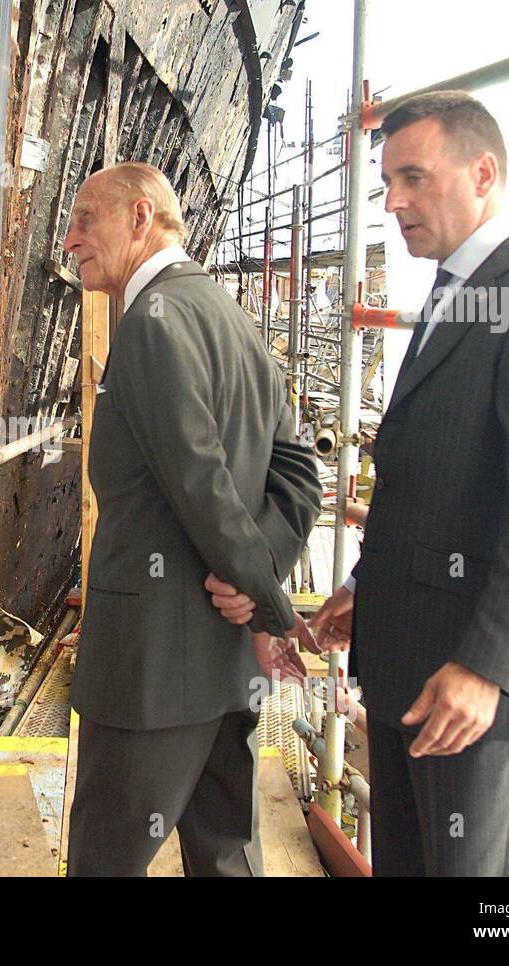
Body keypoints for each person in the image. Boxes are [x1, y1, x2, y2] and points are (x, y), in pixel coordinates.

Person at [308, 91, 509, 875]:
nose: (395, 202)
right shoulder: (453, 291)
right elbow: (428, 478)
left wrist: (486, 669)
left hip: (473, 691)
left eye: (414, 177)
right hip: (410, 666)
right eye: (386, 183)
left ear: (483, 173)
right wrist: (367, 584)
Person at [63, 161, 322, 876]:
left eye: (87, 218)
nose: (68, 238)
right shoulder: (231, 318)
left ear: (141, 218)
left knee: (104, 863)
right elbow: (301, 473)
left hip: (151, 669)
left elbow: (197, 480)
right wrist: (253, 579)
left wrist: (265, 603)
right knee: (227, 857)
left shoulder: (150, 323)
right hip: (223, 667)